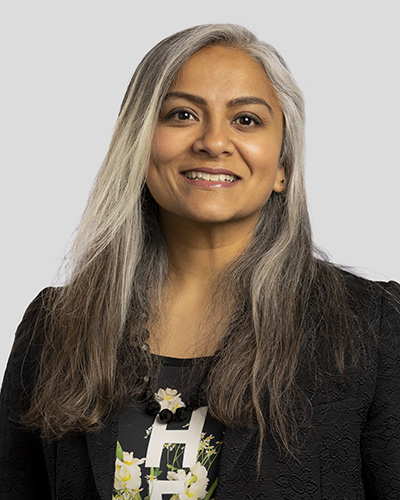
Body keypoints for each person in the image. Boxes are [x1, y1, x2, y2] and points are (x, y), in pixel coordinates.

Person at [1, 23, 399, 499]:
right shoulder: (54, 327)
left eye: (246, 120)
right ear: (140, 146)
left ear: (283, 167)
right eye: (182, 114)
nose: (213, 141)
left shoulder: (374, 325)